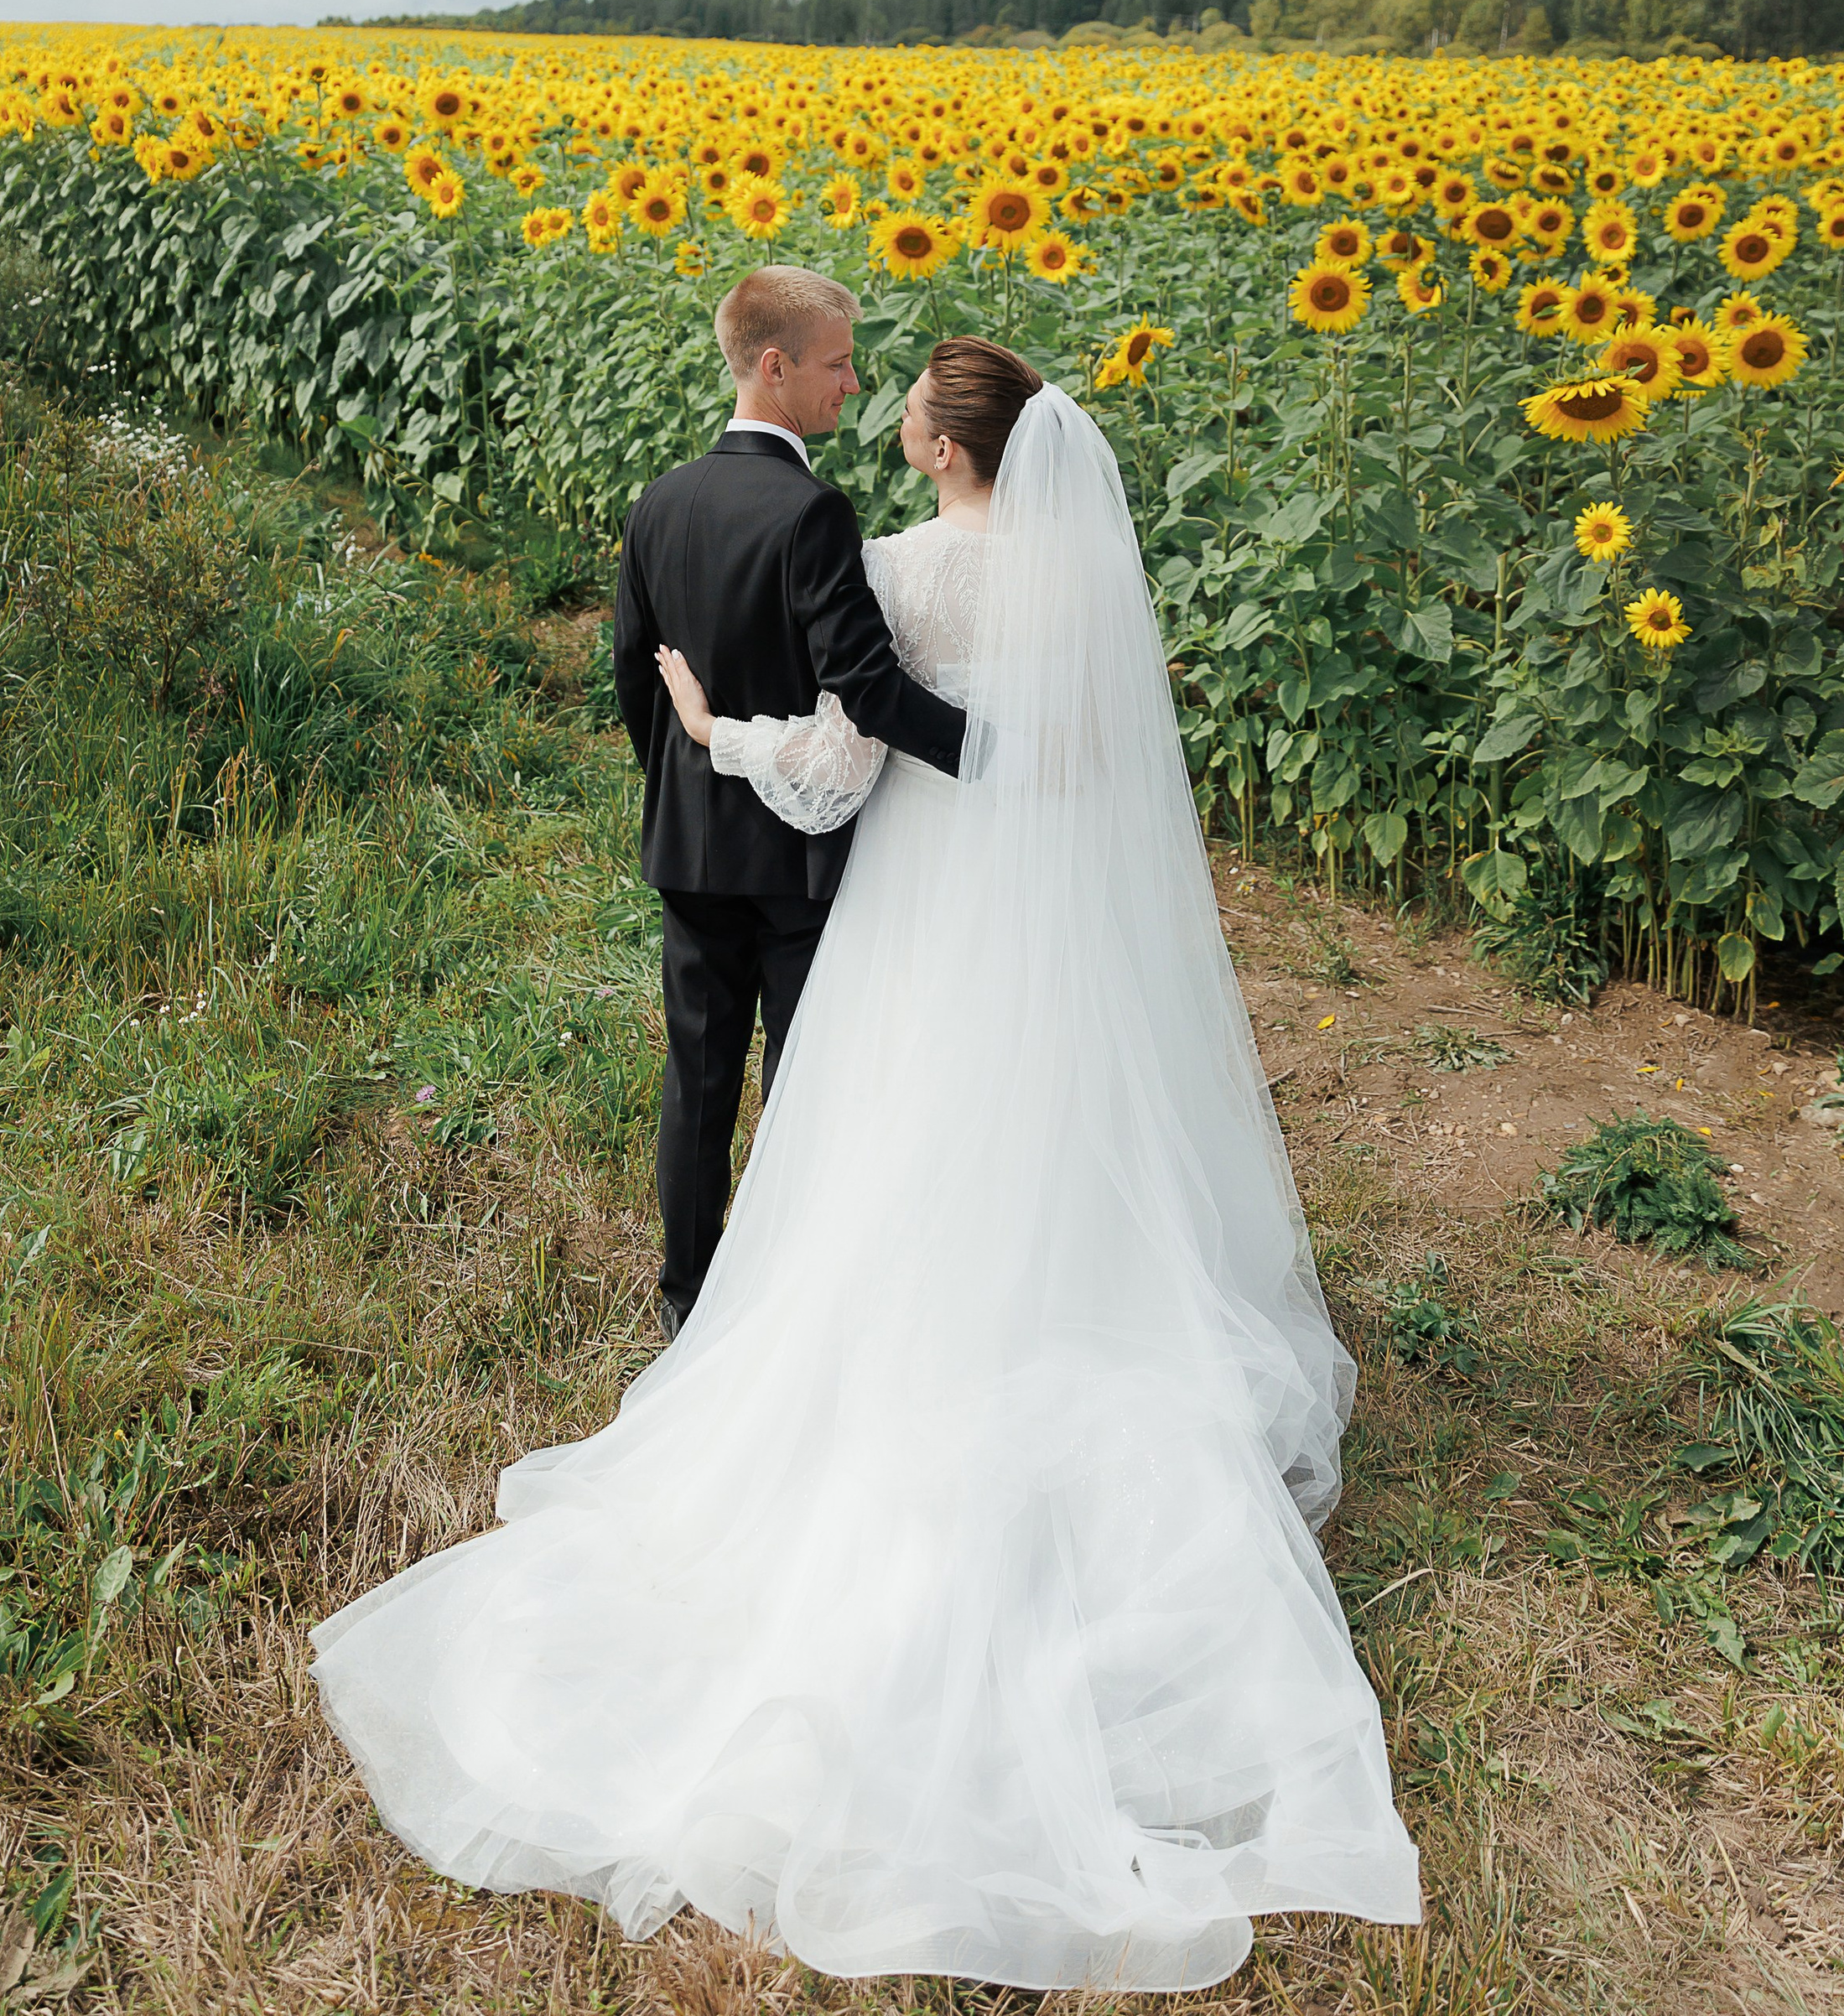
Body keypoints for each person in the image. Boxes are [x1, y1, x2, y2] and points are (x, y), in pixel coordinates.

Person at [311, 336, 1421, 1992]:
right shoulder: (1080, 579)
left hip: (920, 905)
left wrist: (705, 719)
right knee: (1056, 1128)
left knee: (894, 1141)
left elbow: (839, 767)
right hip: (1046, 922)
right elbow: (1093, 769)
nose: (887, 409)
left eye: (910, 401)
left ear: (946, 450)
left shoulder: (894, 567)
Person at [607, 264, 969, 1337]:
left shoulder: (660, 501)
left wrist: (685, 788)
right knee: (804, 1082)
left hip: (692, 844)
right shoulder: (811, 514)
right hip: (797, 858)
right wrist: (996, 755)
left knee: (697, 1076)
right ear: (775, 368)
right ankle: (790, 1306)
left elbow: (638, 679)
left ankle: (687, 1303)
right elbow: (864, 689)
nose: (852, 384)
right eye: (837, 363)